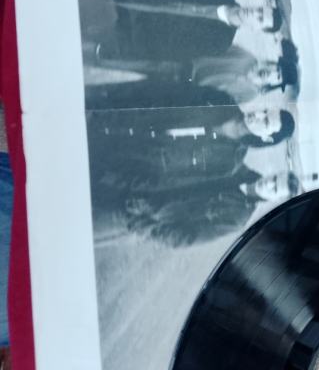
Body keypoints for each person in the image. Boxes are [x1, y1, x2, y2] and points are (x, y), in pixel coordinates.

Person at [87, 102, 295, 212]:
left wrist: (109, 177)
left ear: (266, 138)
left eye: (265, 122)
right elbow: (155, 98)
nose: (257, 116)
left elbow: (168, 181)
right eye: (264, 111)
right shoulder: (222, 102)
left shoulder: (227, 163)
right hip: (107, 124)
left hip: (115, 164)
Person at [81, 0, 282, 65]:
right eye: (259, 9)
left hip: (125, 31)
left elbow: (164, 52)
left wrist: (114, 51)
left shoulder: (218, 43)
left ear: (256, 29)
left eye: (259, 18)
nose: (253, 12)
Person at [85, 42, 299, 109]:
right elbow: (213, 47)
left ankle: (96, 94)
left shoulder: (249, 94)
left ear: (273, 83)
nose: (272, 73)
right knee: (142, 64)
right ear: (272, 63)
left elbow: (219, 103)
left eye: (276, 77)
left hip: (186, 89)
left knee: (136, 91)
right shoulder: (246, 56)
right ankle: (99, 58)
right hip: (181, 65)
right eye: (276, 69)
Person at [127, 170, 301, 246]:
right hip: (138, 185)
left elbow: (188, 237)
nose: (268, 183)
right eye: (275, 178)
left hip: (138, 217)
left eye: (275, 189)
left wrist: (146, 228)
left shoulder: (238, 218)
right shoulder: (238, 169)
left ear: (275, 200)